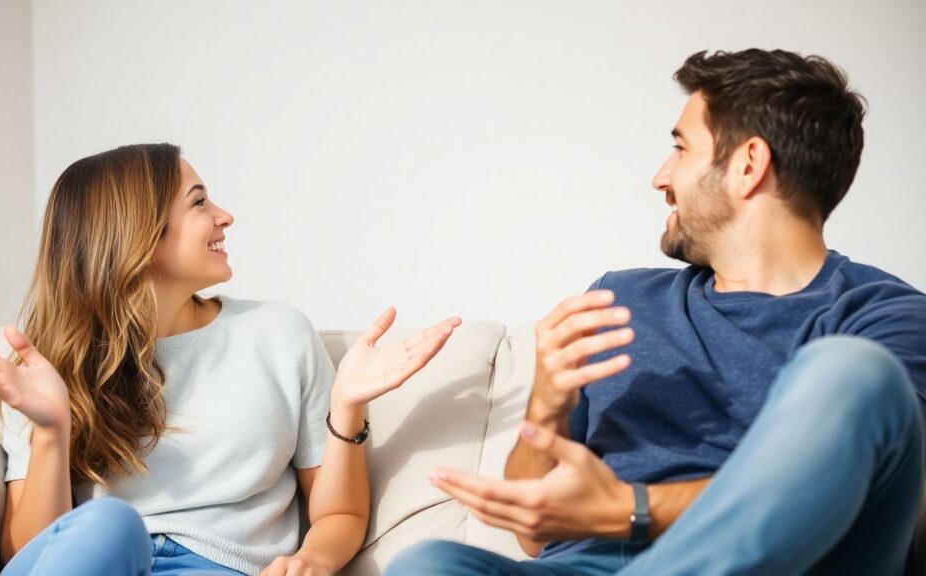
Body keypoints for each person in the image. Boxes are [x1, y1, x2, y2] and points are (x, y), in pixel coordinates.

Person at [386, 49, 926, 575]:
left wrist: (629, 509)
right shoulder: (619, 299)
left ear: (748, 166)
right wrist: (545, 406)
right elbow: (535, 537)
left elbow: (876, 493)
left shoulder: (884, 318)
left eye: (681, 149)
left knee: (857, 370)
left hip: (788, 560)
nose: (660, 178)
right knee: (426, 564)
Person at [0, 143, 462, 576]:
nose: (225, 217)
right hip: (99, 562)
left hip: (219, 567)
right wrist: (51, 428)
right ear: (139, 234)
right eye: (199, 203)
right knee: (110, 527)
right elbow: (28, 555)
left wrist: (346, 408)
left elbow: (339, 514)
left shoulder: (277, 334)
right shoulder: (50, 364)